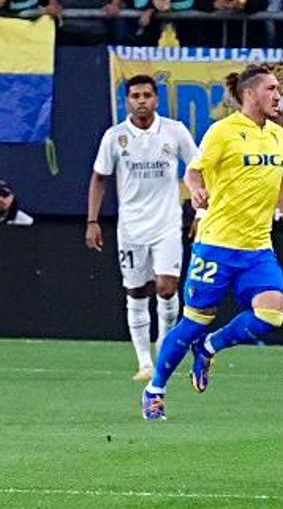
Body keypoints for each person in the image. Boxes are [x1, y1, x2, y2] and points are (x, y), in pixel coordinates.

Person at [140, 65, 283, 420]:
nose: (278, 95)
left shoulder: (278, 136)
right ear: (250, 94)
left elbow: (278, 183)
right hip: (217, 245)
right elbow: (194, 169)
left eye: (278, 89)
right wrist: (196, 191)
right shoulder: (223, 132)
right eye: (270, 89)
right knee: (192, 321)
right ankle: (154, 390)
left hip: (257, 248)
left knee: (271, 314)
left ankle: (209, 347)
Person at [87, 76, 198, 381]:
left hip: (167, 224)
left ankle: (164, 351)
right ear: (127, 101)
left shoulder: (174, 131)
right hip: (131, 227)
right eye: (135, 95)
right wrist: (92, 221)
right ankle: (143, 361)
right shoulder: (115, 137)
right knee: (136, 290)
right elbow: (99, 178)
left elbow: (198, 169)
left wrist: (201, 211)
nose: (141, 101)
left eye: (147, 95)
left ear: (156, 99)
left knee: (166, 286)